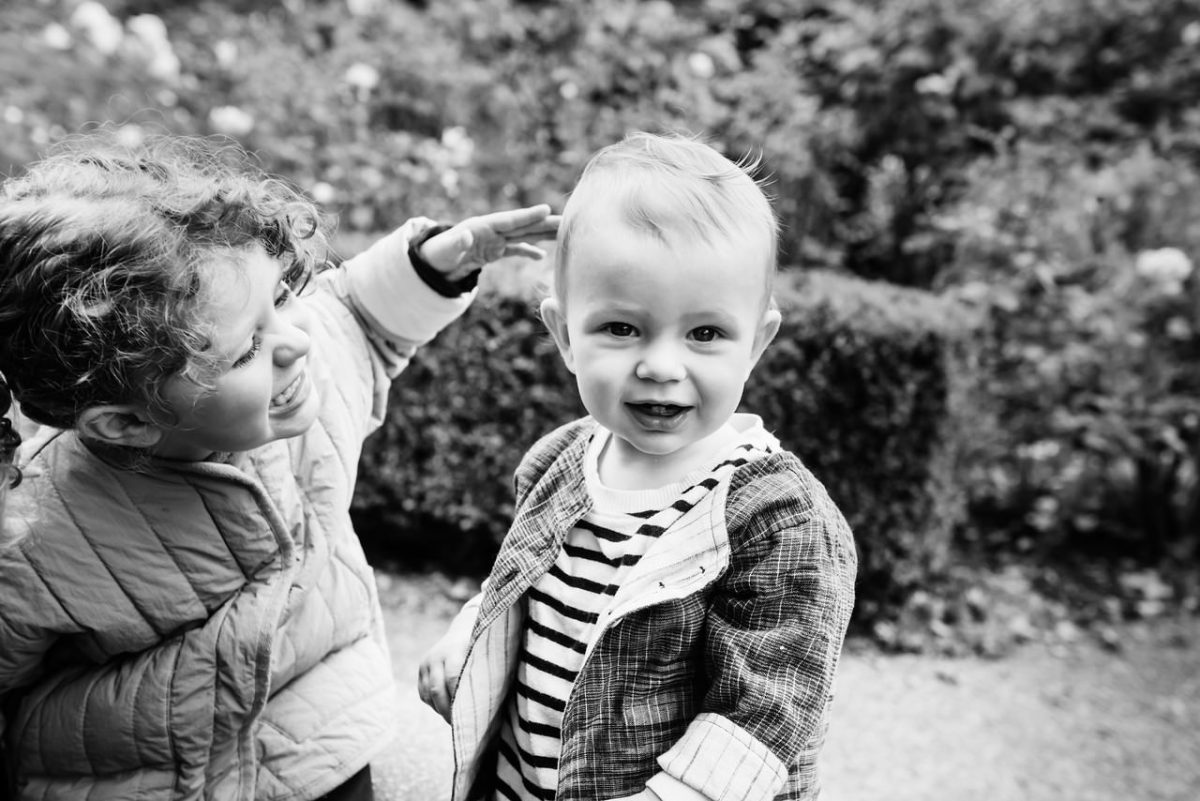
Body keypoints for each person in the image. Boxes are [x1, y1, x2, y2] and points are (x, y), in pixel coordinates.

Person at [0, 131, 558, 801]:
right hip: (149, 782)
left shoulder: (299, 380)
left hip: (322, 749)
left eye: (283, 296)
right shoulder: (36, 531)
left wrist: (434, 263)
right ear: (129, 421)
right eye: (244, 352)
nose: (294, 341)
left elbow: (355, 315)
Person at [418, 131, 858, 801]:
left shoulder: (775, 521)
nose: (660, 364)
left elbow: (765, 714)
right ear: (564, 335)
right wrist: (469, 632)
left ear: (757, 343)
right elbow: (524, 586)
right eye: (622, 328)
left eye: (704, 333)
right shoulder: (561, 460)